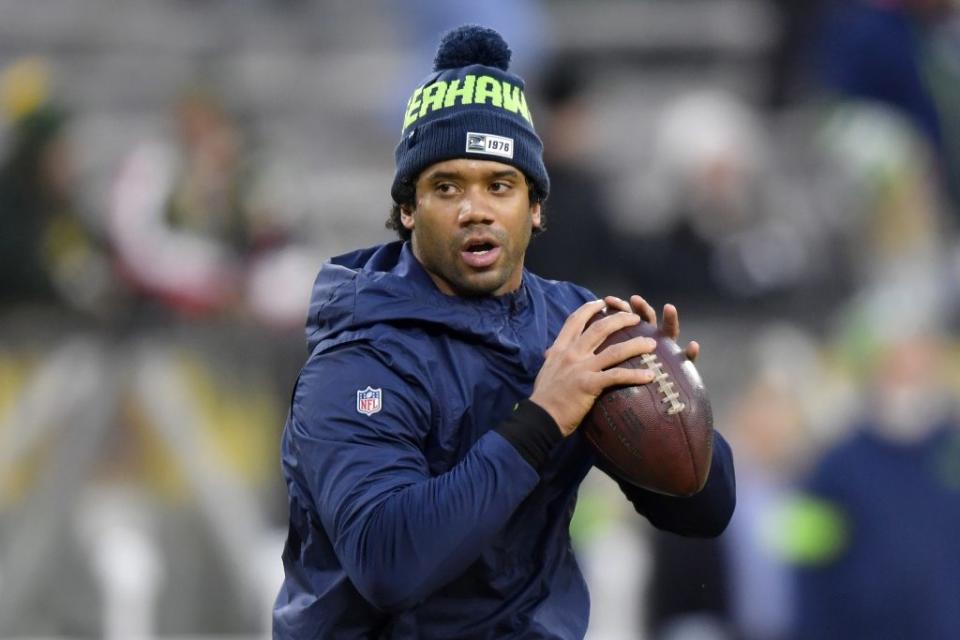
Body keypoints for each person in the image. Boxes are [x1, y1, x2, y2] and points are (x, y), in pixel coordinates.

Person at [273, 25, 736, 639]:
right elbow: (389, 563)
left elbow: (706, 512)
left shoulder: (572, 325)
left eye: (500, 185)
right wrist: (542, 420)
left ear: (536, 206)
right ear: (407, 208)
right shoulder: (357, 358)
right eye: (447, 187)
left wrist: (674, 405)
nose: (476, 209)